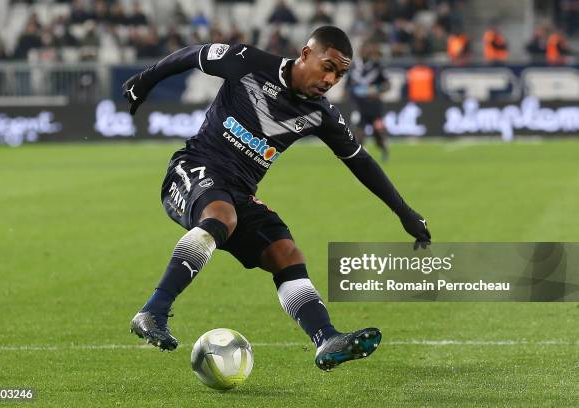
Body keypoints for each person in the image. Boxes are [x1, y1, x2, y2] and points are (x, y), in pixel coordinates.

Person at [122, 26, 431, 371]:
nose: (331, 79)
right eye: (328, 67)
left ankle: (326, 338)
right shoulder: (248, 62)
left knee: (286, 253)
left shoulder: (321, 113)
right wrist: (145, 80)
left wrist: (404, 212)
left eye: (340, 74)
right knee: (222, 216)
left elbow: (361, 161)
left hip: (239, 195)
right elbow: (193, 54)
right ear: (305, 54)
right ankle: (153, 311)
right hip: (194, 169)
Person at [346, 42, 391, 161]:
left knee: (378, 133)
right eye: (363, 49)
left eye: (367, 49)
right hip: (359, 105)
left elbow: (387, 85)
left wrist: (376, 90)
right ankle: (359, 156)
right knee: (358, 131)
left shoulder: (377, 66)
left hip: (374, 105)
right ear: (360, 51)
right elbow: (347, 86)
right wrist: (351, 93)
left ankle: (383, 148)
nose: (365, 52)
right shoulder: (354, 66)